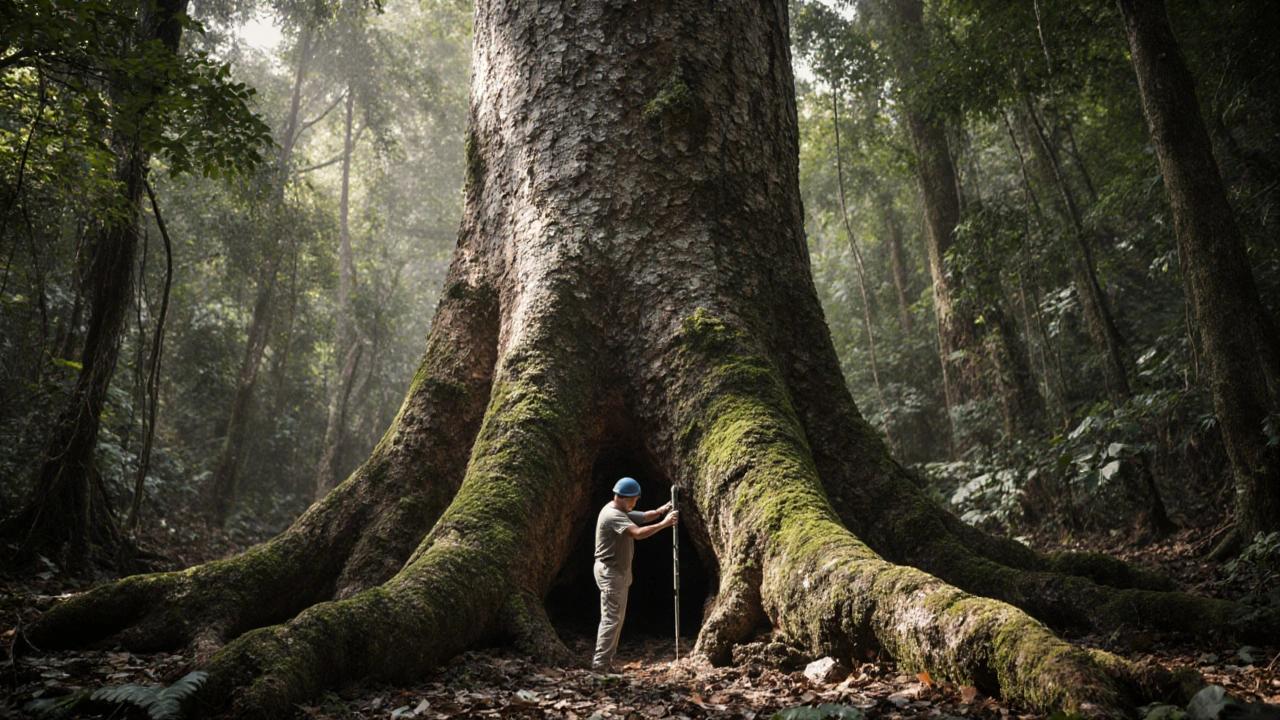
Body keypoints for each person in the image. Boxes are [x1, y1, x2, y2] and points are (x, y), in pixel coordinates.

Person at [592, 476, 678, 671]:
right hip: (610, 573)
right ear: (622, 497)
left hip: (617, 572)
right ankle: (600, 665)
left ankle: (605, 662)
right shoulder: (613, 515)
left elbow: (646, 516)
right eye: (634, 499)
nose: (635, 503)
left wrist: (663, 509)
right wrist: (665, 523)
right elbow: (638, 533)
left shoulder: (619, 509)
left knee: (615, 618)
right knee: (611, 619)